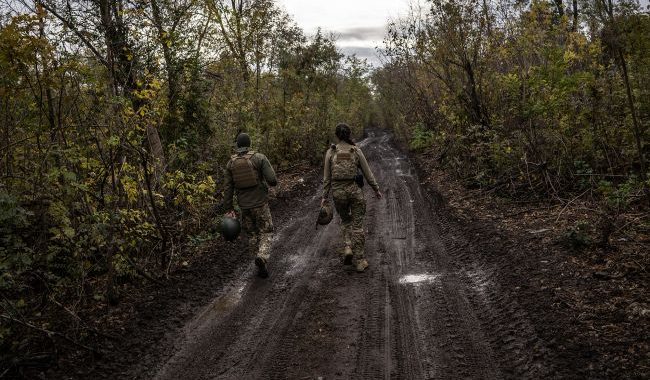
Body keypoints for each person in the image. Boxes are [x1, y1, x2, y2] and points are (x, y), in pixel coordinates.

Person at [321, 123, 382, 272]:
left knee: (345, 220)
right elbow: (368, 174)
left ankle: (348, 246)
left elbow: (327, 178)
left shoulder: (331, 152)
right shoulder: (356, 150)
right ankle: (360, 260)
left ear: (337, 135)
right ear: (349, 134)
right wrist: (376, 189)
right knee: (357, 225)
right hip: (355, 192)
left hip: (338, 193)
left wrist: (324, 196)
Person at [222, 132, 277, 278]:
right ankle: (262, 256)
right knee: (266, 231)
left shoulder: (230, 163)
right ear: (250, 144)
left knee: (252, 234)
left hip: (244, 206)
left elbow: (228, 189)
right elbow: (272, 180)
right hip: (260, 203)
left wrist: (229, 208)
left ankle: (259, 264)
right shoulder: (259, 158)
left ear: (237, 146)